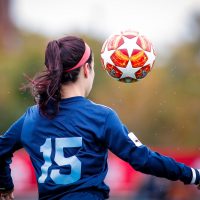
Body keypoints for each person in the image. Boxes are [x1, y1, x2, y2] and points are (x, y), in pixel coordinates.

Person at [0, 35, 199, 200]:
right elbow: (143, 159)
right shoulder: (100, 117)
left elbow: (1, 149)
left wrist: (5, 186)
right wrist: (191, 175)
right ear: (87, 69)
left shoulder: (31, 117)